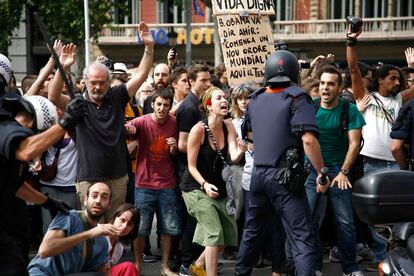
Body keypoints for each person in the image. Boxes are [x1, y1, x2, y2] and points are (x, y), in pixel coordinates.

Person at [48, 22, 154, 221]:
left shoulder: (117, 97)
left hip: (117, 177)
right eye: (93, 82)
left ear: (109, 82)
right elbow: (53, 96)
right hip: (88, 178)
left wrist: (148, 47)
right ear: (86, 81)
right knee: (91, 228)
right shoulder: (78, 104)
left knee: (115, 226)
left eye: (102, 83)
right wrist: (62, 66)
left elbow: (141, 75)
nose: (97, 87)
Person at [235, 50, 327, 276]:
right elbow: (308, 139)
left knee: (252, 232)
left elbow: (248, 134)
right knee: (301, 237)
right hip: (284, 178)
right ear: (294, 72)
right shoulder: (297, 96)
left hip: (258, 175)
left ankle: (240, 272)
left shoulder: (255, 98)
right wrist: (321, 171)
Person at [0, 54, 87, 275]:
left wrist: (47, 201)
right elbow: (27, 149)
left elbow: (14, 184)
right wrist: (67, 121)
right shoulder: (4, 126)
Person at [347, 25, 414, 271]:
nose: (397, 82)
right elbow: (353, 69)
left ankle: (395, 257)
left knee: (400, 216)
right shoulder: (366, 96)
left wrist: (412, 66)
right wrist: (350, 42)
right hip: (372, 163)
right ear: (380, 80)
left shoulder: (399, 99)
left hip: (397, 164)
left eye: (399, 79)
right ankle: (379, 255)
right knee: (374, 218)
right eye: (392, 78)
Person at [180, 86, 246, 276]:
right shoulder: (198, 130)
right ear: (208, 105)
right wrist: (204, 184)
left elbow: (233, 157)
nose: (224, 101)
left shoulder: (229, 125)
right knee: (214, 234)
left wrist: (242, 149)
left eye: (225, 98)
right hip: (195, 188)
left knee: (227, 234)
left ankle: (195, 267)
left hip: (219, 189)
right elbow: (191, 167)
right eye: (219, 98)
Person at [306, 65, 365, 276]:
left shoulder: (349, 109)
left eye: (331, 84)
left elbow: (354, 144)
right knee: (311, 222)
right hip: (313, 171)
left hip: (340, 171)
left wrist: (343, 172)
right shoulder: (310, 108)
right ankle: (313, 267)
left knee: (345, 223)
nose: (325, 88)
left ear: (340, 88)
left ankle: (350, 269)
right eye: (322, 83)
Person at [126, 88, 181, 276]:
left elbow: (175, 154)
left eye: (166, 105)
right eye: (159, 104)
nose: (162, 108)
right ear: (152, 104)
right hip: (143, 184)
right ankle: (138, 265)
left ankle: (165, 267)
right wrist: (130, 132)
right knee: (141, 229)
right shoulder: (142, 121)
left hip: (167, 184)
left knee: (168, 227)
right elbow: (124, 130)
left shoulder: (174, 123)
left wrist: (173, 148)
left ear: (170, 106)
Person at [28, 182, 122, 275]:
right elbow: (44, 251)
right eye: (94, 196)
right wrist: (90, 233)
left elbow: (102, 272)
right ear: (85, 200)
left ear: (109, 205)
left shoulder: (102, 241)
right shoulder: (69, 217)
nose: (98, 201)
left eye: (104, 197)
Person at [175, 64, 211, 275]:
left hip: (195, 172)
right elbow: (182, 144)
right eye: (203, 81)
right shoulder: (189, 108)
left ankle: (195, 263)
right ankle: (187, 264)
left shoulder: (195, 104)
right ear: (191, 82)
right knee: (193, 220)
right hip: (188, 174)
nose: (208, 84)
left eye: (209, 80)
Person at [107, 203, 140, 276]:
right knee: (128, 267)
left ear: (132, 230)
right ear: (115, 217)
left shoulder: (119, 249)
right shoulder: (99, 234)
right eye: (122, 220)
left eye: (129, 224)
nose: (124, 226)